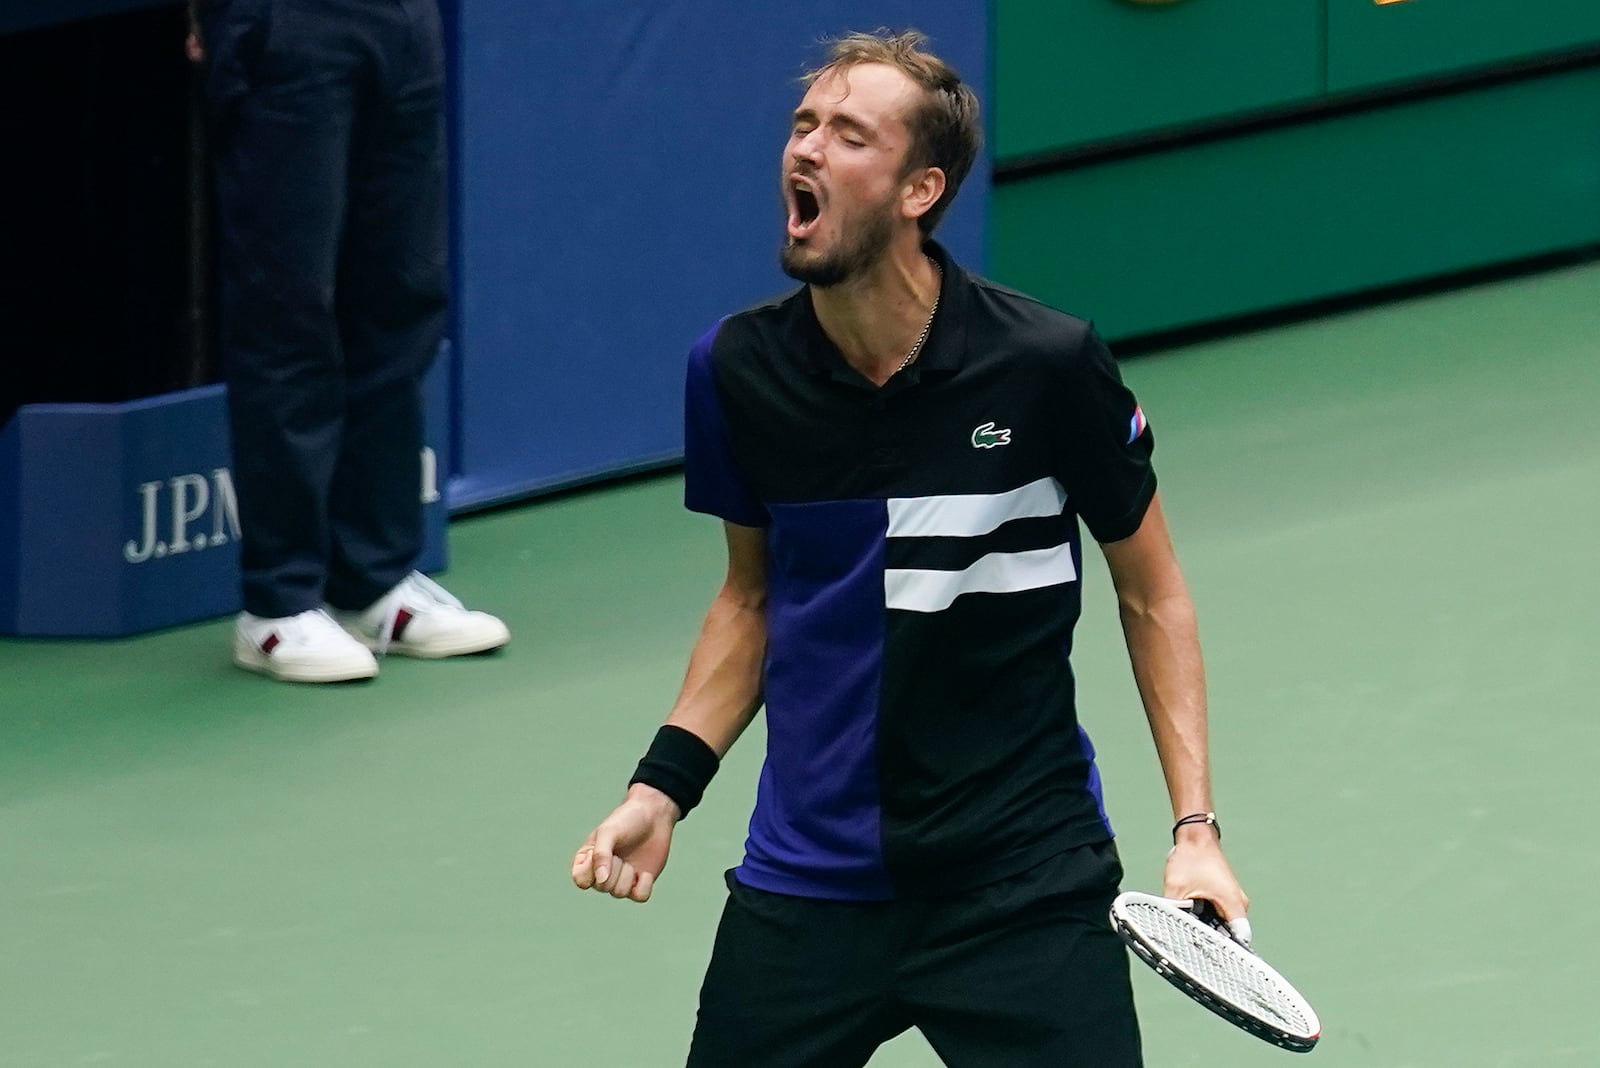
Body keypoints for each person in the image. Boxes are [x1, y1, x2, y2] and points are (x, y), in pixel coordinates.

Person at [571, 29, 1248, 1067]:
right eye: (802, 126)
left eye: (848, 135)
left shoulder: (1045, 364)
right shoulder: (737, 371)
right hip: (811, 882)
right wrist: (660, 788)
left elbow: (1151, 594)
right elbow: (750, 601)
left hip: (1020, 882)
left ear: (918, 190)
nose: (805, 151)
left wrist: (1193, 828)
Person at [189, 0, 508, 682]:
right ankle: (278, 605)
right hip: (284, 24)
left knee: (401, 296)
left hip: (404, 22)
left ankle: (372, 583)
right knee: (288, 309)